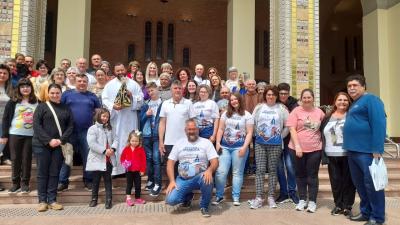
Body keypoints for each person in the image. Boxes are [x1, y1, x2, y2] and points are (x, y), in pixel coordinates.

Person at [343, 74, 386, 225]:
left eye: (355, 85)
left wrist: (377, 148)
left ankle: (377, 217)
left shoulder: (372, 100)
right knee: (360, 185)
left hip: (367, 152)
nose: (352, 88)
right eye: (349, 86)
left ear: (363, 87)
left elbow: (379, 124)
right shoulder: (355, 103)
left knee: (372, 185)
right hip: (353, 151)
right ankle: (366, 212)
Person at [32, 83, 74, 212]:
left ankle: (52, 200)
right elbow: (37, 126)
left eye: (57, 93)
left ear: (61, 93)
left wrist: (60, 140)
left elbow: (70, 126)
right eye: (52, 93)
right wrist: (48, 140)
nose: (55, 95)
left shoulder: (66, 108)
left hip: (58, 145)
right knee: (42, 172)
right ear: (48, 93)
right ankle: (42, 201)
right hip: (42, 145)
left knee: (54, 173)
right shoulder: (41, 107)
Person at [165, 119, 219, 217]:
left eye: (194, 129)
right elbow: (170, 162)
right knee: (171, 200)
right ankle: (188, 197)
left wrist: (209, 170)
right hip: (183, 179)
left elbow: (215, 161)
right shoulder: (179, 143)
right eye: (189, 129)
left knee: (207, 178)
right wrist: (172, 181)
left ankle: (204, 206)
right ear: (185, 130)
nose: (191, 131)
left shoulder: (206, 143)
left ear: (198, 130)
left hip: (200, 177)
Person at [248, 85, 289, 209]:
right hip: (260, 143)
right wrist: (256, 133)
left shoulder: (281, 108)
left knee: (272, 170)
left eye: (273, 94)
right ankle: (259, 197)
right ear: (265, 95)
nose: (270, 96)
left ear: (276, 96)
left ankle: (271, 197)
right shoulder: (259, 107)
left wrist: (281, 136)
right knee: (260, 170)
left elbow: (288, 125)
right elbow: (252, 122)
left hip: (276, 144)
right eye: (268, 94)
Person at [58, 74, 101, 192]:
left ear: (87, 83)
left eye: (84, 81)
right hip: (69, 131)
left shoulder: (92, 96)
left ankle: (88, 180)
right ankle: (63, 182)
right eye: (79, 81)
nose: (82, 83)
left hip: (87, 131)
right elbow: (60, 111)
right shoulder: (67, 94)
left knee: (87, 157)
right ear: (75, 81)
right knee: (67, 157)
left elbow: (98, 113)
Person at [286, 88, 325, 213]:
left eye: (309, 97)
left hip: (315, 149)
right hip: (296, 149)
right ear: (301, 99)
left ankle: (312, 201)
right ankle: (302, 200)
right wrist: (297, 146)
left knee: (312, 176)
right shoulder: (296, 111)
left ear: (313, 98)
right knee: (300, 175)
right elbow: (292, 129)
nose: (307, 100)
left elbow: (324, 129)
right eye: (304, 97)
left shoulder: (320, 112)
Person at [102, 63, 143, 175]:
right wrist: (113, 106)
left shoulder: (134, 84)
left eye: (121, 70)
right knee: (116, 143)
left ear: (125, 70)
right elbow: (104, 99)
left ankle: (128, 169)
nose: (120, 72)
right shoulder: (109, 85)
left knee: (129, 142)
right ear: (114, 72)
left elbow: (141, 101)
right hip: (115, 119)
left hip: (130, 119)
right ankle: (116, 169)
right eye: (117, 71)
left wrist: (131, 96)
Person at [213, 93, 254, 206]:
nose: (234, 101)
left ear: (240, 100)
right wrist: (217, 143)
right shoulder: (226, 114)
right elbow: (221, 129)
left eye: (236, 99)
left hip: (239, 147)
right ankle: (219, 196)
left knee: (237, 173)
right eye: (231, 100)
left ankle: (236, 196)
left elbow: (250, 132)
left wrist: (245, 147)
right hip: (225, 147)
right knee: (221, 172)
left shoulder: (247, 115)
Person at [320, 92, 355, 216]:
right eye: (340, 99)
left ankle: (347, 206)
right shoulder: (327, 117)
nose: (342, 102)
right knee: (335, 182)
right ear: (335, 102)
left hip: (348, 154)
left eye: (345, 100)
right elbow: (321, 133)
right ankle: (338, 205)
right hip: (331, 155)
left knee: (348, 182)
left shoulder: (351, 115)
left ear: (349, 102)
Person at [1, 79, 38, 193]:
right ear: (19, 89)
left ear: (31, 88)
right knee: (15, 159)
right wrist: (4, 135)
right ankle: (15, 183)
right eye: (22, 87)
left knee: (26, 159)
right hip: (14, 134)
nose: (25, 88)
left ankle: (25, 183)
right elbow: (6, 119)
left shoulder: (37, 102)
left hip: (30, 135)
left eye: (27, 86)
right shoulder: (13, 102)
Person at [158, 80, 192, 177]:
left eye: (179, 88)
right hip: (169, 142)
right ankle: (171, 188)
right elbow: (162, 123)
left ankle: (185, 189)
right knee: (169, 166)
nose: (177, 90)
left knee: (185, 168)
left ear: (183, 90)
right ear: (171, 90)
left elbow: (193, 123)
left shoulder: (188, 103)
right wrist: (161, 141)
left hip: (185, 141)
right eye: (175, 88)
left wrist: (192, 140)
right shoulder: (165, 104)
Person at [86, 108, 117, 209]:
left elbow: (116, 139)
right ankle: (94, 199)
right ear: (98, 116)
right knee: (96, 180)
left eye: (107, 117)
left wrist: (113, 148)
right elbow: (92, 143)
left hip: (108, 159)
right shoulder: (93, 129)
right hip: (97, 160)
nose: (105, 118)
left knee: (108, 180)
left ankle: (109, 200)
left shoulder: (110, 128)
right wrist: (104, 150)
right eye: (103, 116)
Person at [276, 82, 299, 204]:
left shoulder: (294, 105)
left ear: (289, 93)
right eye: (281, 93)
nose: (283, 95)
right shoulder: (274, 103)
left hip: (290, 140)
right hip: (276, 141)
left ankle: (292, 192)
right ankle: (283, 193)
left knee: (290, 167)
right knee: (279, 168)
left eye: (285, 93)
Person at [140, 82, 163, 196]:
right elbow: (141, 120)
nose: (150, 93)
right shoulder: (145, 104)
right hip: (146, 135)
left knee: (156, 159)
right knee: (148, 159)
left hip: (157, 136)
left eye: (152, 90)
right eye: (148, 91)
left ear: (157, 89)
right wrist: (146, 115)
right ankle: (151, 180)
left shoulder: (163, 103)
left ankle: (158, 183)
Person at [120, 131, 147, 206]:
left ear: (139, 141)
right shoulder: (126, 149)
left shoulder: (141, 149)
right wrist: (124, 163)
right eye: (133, 141)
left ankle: (137, 198)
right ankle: (128, 198)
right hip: (129, 171)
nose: (134, 142)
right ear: (129, 140)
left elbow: (143, 160)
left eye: (136, 141)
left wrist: (142, 170)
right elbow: (122, 158)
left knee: (138, 185)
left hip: (137, 171)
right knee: (129, 184)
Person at [0, 64, 14, 168]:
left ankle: (4, 157)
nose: (2, 75)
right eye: (0, 72)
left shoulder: (11, 89)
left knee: (4, 139)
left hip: (6, 120)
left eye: (5, 73)